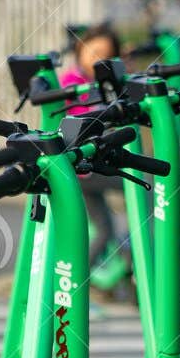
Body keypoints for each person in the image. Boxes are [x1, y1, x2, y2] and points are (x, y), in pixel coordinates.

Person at [58, 24, 123, 258]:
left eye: (106, 56)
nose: (99, 60)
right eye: (94, 52)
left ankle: (82, 278)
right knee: (146, 185)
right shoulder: (73, 82)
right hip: (84, 166)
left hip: (95, 163)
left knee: (104, 232)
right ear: (80, 51)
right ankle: (145, 248)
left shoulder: (110, 85)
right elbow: (76, 118)